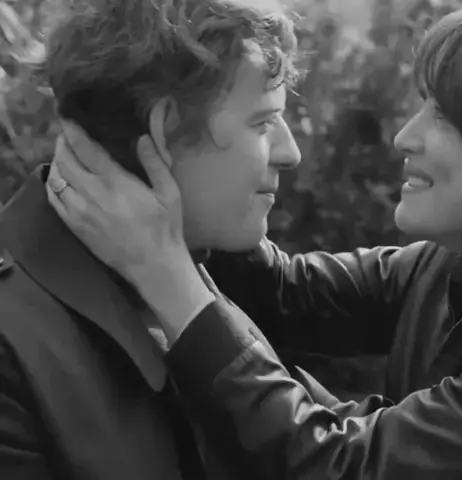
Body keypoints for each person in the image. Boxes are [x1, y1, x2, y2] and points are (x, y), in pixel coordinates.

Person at [49, 1, 462, 478]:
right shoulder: (461, 267)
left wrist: (164, 272)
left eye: (445, 116)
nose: (404, 137)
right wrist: (171, 183)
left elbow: (345, 468)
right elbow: (285, 296)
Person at [0, 0, 304, 478]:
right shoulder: (12, 339)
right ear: (164, 129)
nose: (290, 152)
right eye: (263, 122)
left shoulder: (192, 274)